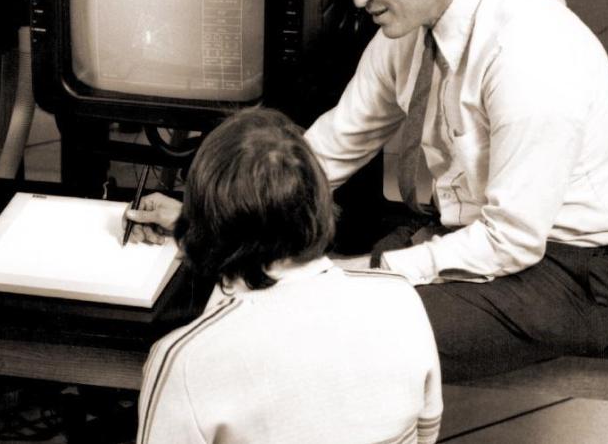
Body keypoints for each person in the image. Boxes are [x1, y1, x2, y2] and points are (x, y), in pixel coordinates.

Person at [127, 0, 608, 382]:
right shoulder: (407, 33)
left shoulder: (528, 54)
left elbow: (511, 240)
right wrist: (205, 218)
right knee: (275, 292)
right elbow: (328, 152)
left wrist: (363, 272)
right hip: (465, 232)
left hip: (570, 272)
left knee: (327, 327)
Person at [136, 108, 441, 444]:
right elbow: (426, 434)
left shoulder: (184, 361)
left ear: (202, 215)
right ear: (320, 199)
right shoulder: (402, 301)